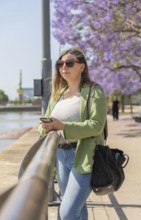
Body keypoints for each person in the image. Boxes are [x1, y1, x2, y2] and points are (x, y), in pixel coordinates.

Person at [38, 48, 107, 220]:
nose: (63, 67)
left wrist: (63, 126)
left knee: (67, 212)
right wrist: (46, 127)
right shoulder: (58, 95)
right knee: (79, 212)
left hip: (83, 156)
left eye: (69, 63)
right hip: (60, 157)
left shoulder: (94, 91)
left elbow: (97, 125)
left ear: (82, 67)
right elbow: (42, 125)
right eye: (60, 64)